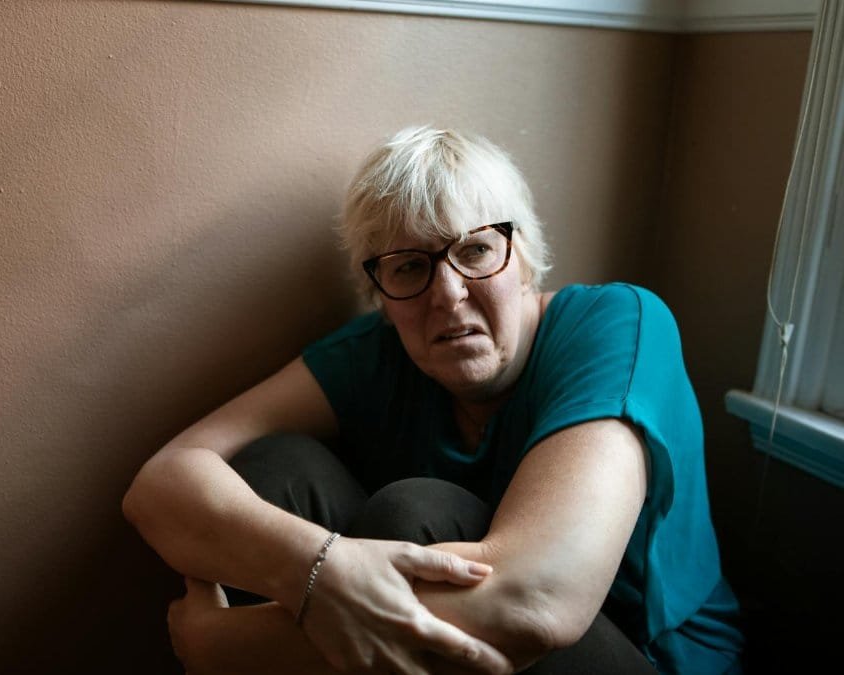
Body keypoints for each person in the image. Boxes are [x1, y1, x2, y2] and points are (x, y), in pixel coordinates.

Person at [122, 126, 745, 674]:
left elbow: (536, 604)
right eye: (408, 267)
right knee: (277, 465)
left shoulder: (617, 323)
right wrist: (322, 568)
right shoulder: (378, 351)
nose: (446, 295)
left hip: (647, 657)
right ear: (381, 291)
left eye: (475, 249)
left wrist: (230, 647)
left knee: (414, 513)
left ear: (523, 257)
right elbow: (162, 482)